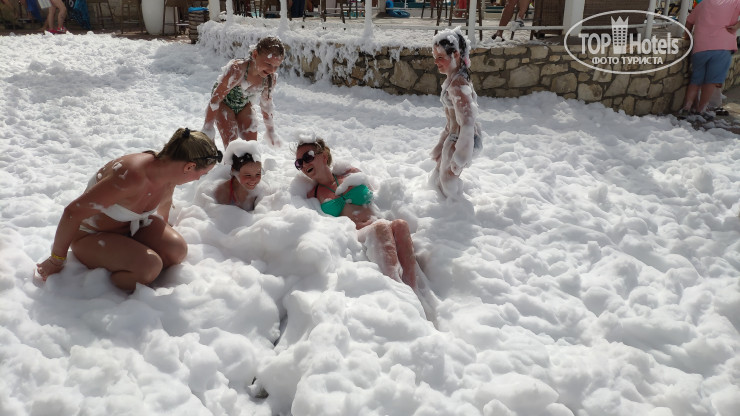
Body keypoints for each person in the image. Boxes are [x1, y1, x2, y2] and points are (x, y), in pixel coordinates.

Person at [35, 128, 221, 292]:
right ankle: (114, 291)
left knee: (176, 250)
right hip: (90, 236)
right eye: (202, 174)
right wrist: (56, 260)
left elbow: (164, 203)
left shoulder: (168, 173)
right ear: (189, 166)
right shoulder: (131, 177)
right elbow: (72, 212)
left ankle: (134, 264)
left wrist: (161, 235)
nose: (199, 179)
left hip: (132, 227)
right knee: (149, 266)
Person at [295, 136, 417, 288]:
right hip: (357, 237)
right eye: (299, 163)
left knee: (401, 224)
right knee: (381, 227)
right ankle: (397, 288)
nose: (304, 164)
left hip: (378, 222)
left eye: (308, 157)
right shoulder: (313, 195)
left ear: (324, 156)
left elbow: (377, 197)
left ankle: (413, 288)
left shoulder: (351, 174)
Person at [202, 36, 285, 150]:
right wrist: (208, 128)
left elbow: (266, 105)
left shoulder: (269, 78)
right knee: (233, 148)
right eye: (268, 64)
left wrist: (270, 130)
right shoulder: (237, 70)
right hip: (224, 105)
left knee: (251, 148)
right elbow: (215, 100)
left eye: (276, 66)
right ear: (255, 54)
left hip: (244, 106)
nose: (272, 70)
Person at [431, 27, 483, 199]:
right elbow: (451, 120)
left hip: (461, 140)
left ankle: (454, 208)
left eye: (440, 57)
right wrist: (441, 143)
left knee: (447, 182)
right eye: (434, 57)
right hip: (453, 137)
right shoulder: (452, 80)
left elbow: (467, 122)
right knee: (439, 177)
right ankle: (440, 205)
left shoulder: (458, 84)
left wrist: (461, 154)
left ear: (455, 55)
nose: (436, 61)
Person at [677, 0, 740, 120]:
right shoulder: (734, 2)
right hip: (722, 47)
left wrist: (686, 37)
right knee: (710, 82)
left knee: (696, 80)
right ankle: (701, 109)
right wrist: (737, 26)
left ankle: (686, 107)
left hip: (700, 47)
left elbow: (689, 22)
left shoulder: (702, 4)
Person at [213, 140, 267, 211]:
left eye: (258, 174)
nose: (253, 180)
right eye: (248, 175)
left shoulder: (261, 191)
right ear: (234, 171)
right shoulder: (223, 192)